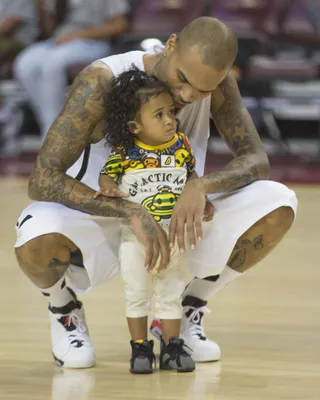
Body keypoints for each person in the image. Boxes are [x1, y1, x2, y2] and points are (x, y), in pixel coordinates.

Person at [14, 17, 298, 369]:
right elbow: (42, 178)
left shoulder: (217, 82)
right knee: (34, 232)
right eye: (183, 79)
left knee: (278, 202)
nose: (187, 96)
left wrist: (201, 184)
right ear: (171, 44)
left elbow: (257, 159)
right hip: (102, 218)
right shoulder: (101, 79)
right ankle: (64, 309)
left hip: (176, 223)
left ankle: (186, 308)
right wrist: (131, 211)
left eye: (202, 91)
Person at [96, 68, 202, 373]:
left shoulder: (181, 145)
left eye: (171, 112)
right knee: (137, 295)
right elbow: (107, 175)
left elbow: (190, 177)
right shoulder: (125, 152)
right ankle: (140, 347)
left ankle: (172, 346)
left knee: (171, 294)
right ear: (134, 127)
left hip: (175, 237)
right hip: (136, 239)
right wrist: (107, 186)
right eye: (159, 115)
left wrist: (200, 200)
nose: (170, 119)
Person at [13, 0, 130, 139]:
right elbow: (49, 28)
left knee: (52, 65)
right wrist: (42, 7)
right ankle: (50, 122)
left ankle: (54, 133)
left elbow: (120, 25)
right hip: (61, 41)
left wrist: (79, 35)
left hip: (93, 42)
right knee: (25, 63)